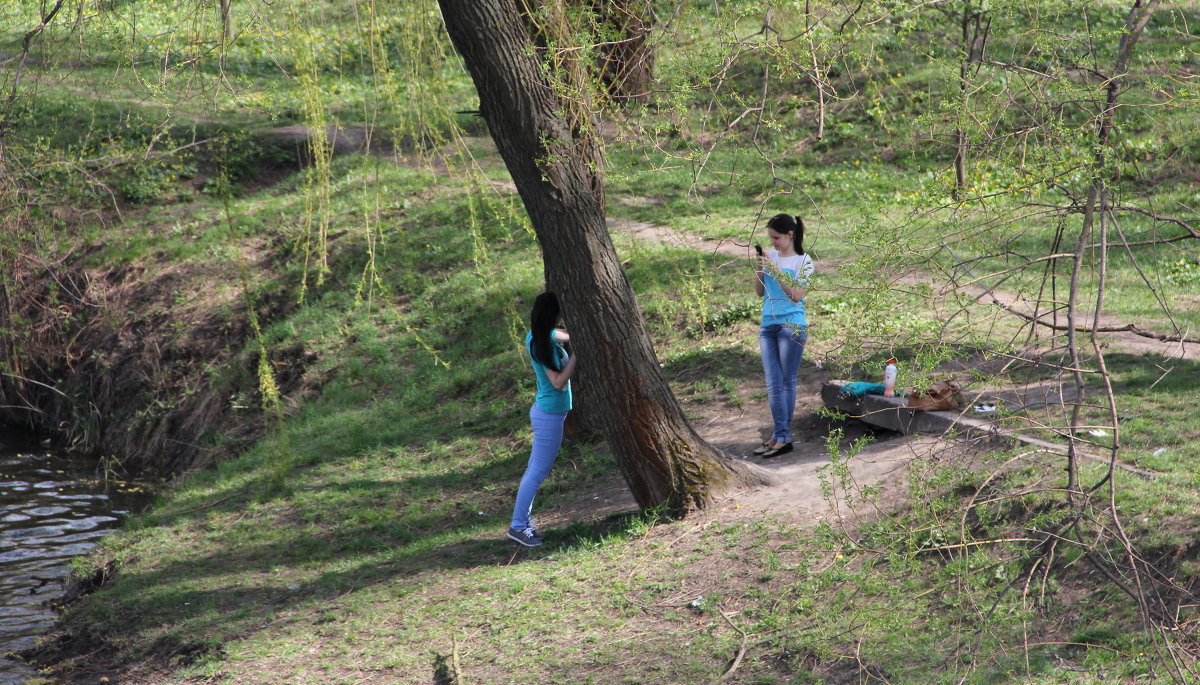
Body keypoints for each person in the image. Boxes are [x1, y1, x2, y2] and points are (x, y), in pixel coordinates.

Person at [508, 291, 577, 547]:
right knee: (537, 473)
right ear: (552, 314)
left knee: (534, 471)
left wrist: (577, 332)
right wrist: (576, 356)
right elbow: (558, 382)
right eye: (559, 313)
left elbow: (568, 336)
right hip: (549, 415)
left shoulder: (542, 334)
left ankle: (522, 524)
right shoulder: (540, 344)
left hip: (548, 412)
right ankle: (517, 527)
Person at [752, 214, 814, 459]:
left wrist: (776, 270)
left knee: (785, 383)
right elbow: (759, 292)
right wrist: (760, 267)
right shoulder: (771, 256)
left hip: (792, 326)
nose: (773, 243)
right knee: (772, 383)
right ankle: (780, 435)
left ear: (790, 235)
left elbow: (797, 294)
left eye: (776, 238)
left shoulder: (804, 261)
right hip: (768, 325)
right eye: (770, 238)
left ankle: (783, 437)